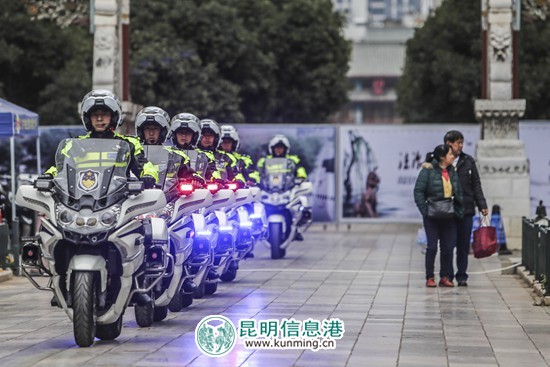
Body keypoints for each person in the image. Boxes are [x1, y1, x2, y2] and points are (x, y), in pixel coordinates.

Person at [42, 89, 158, 188]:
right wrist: (48, 176)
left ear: (113, 117)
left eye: (105, 114)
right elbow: (59, 169)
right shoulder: (74, 145)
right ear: (88, 118)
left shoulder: (128, 143)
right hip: (78, 202)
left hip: (119, 201)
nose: (99, 119)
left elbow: (145, 166)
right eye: (94, 114)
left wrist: (149, 176)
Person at [414, 144, 463, 288]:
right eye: (450, 154)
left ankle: (445, 276)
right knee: (432, 247)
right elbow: (418, 191)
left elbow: (458, 191)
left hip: (449, 214)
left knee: (448, 248)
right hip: (432, 214)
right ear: (442, 157)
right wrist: (425, 211)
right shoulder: (427, 170)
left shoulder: (452, 171)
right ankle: (430, 277)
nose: (453, 156)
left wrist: (459, 210)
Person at [444, 130, 488, 286]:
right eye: (458, 143)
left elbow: (476, 184)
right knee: (448, 245)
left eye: (462, 142)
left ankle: (461, 275)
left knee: (463, 245)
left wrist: (482, 204)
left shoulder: (468, 161)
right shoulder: (442, 161)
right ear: (449, 144)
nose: (461, 146)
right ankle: (447, 275)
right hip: (448, 211)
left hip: (467, 210)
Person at [256, 134, 311, 240]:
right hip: (269, 190)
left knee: (297, 207)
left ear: (286, 149)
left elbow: (300, 170)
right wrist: (255, 179)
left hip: (286, 190)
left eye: (281, 148)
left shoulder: (293, 160)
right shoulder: (264, 161)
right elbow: (257, 172)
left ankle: (296, 229)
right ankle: (259, 230)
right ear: (272, 149)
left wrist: (301, 177)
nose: (279, 150)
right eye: (277, 148)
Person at [169, 113, 222, 181]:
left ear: (194, 135)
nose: (184, 136)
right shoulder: (167, 153)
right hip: (168, 189)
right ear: (174, 135)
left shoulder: (203, 156)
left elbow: (212, 171)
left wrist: (216, 179)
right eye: (180, 132)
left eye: (188, 133)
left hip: (197, 189)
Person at [197, 119, 246, 185]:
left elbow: (235, 173)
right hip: (194, 190)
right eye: (204, 135)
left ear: (216, 138)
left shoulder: (226, 157)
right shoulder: (191, 154)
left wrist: (239, 180)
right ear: (198, 137)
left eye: (210, 135)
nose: (207, 138)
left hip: (222, 191)